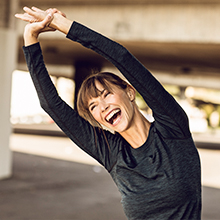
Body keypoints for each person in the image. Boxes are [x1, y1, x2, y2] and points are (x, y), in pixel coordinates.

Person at [15, 7, 201, 220]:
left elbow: (121, 57)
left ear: (130, 92)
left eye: (106, 94)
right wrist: (30, 37)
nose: (102, 107)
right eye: (93, 106)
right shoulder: (112, 153)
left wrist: (62, 25)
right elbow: (51, 105)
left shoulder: (173, 129)